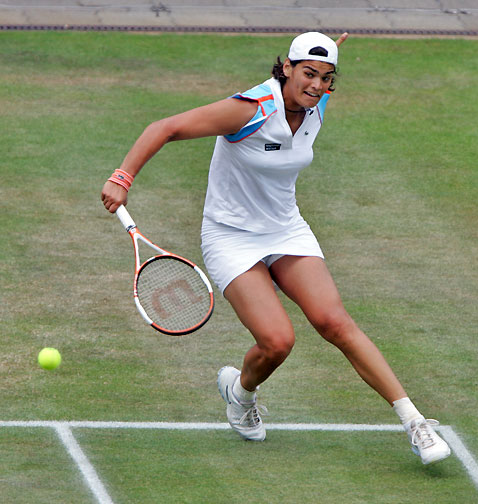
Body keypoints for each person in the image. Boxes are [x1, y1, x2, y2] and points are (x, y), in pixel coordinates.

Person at [101, 31, 451, 465]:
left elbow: (317, 81)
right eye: (308, 73)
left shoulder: (315, 104)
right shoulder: (250, 109)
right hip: (230, 236)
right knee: (277, 342)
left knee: (335, 322)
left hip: (286, 229)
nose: (317, 86)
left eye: (326, 78)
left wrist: (325, 48)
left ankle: (414, 421)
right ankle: (240, 393)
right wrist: (122, 178)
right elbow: (166, 128)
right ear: (285, 67)